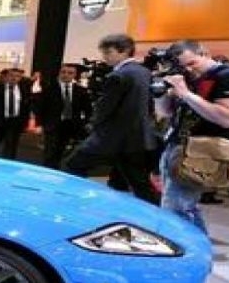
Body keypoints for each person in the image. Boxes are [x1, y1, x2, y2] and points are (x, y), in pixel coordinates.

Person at [154, 40, 229, 232]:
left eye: (192, 63)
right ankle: (194, 245)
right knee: (178, 207)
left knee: (177, 209)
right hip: (175, 145)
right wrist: (161, 92)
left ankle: (185, 247)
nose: (189, 69)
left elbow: (228, 118)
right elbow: (165, 112)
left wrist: (186, 94)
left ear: (205, 53)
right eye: (183, 66)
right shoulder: (186, 77)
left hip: (201, 151)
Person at [64, 34, 160, 205]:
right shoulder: (144, 72)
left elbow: (104, 108)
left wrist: (92, 125)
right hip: (137, 137)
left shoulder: (118, 76)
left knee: (73, 165)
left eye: (108, 52)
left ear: (124, 51)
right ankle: (157, 213)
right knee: (138, 181)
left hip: (111, 136)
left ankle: (73, 202)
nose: (105, 57)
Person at [33, 64, 92, 169]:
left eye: (70, 73)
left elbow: (88, 110)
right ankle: (48, 172)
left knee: (61, 152)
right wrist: (39, 124)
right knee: (50, 152)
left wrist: (85, 123)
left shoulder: (81, 91)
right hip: (52, 125)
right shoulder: (49, 89)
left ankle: (56, 171)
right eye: (63, 72)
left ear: (75, 75)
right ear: (59, 73)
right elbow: (40, 108)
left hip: (70, 126)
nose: (66, 75)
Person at [0, 68, 31, 159]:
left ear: (20, 78)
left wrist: (24, 123)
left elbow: (26, 107)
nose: (14, 78)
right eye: (11, 75)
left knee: (11, 149)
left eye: (17, 76)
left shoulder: (24, 90)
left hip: (14, 123)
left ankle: (7, 164)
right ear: (7, 76)